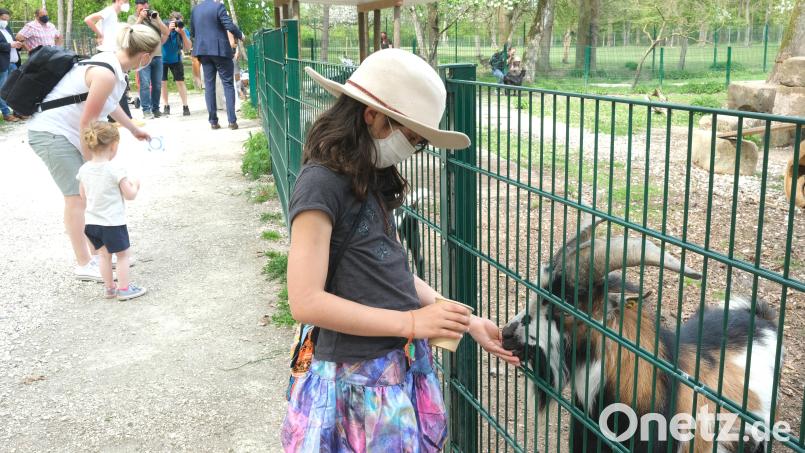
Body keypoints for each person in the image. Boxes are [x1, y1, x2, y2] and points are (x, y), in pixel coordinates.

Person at [280, 48, 519, 451]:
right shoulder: (320, 185)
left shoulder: (366, 177)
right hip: (352, 378)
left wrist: (466, 321)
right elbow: (305, 301)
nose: (413, 149)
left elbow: (387, 270)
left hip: (392, 366)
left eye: (420, 143)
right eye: (411, 137)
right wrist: (410, 324)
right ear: (371, 115)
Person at [27, 24, 159, 282]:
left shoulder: (112, 65)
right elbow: (86, 123)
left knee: (82, 197)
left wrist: (133, 129)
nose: (151, 61)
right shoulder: (106, 73)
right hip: (52, 133)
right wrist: (96, 165)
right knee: (76, 198)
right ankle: (84, 263)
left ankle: (96, 255)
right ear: (144, 56)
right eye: (152, 57)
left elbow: (109, 105)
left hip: (63, 133)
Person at [77, 121, 146, 301]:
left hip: (92, 223)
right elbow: (130, 195)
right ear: (113, 146)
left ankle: (109, 289)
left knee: (103, 256)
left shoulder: (84, 170)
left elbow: (82, 196)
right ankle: (124, 289)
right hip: (112, 223)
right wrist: (136, 185)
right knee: (122, 256)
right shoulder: (115, 169)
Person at [190, 0, 242, 130]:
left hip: (203, 51)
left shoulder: (195, 10)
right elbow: (229, 25)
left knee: (209, 86)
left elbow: (193, 32)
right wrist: (240, 35)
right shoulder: (218, 6)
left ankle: (213, 121)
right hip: (220, 51)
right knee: (228, 84)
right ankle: (232, 121)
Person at [84, 0, 135, 120]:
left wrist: (100, 34)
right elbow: (88, 19)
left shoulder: (113, 15)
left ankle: (118, 117)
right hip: (107, 52)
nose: (126, 3)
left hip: (112, 51)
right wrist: (100, 35)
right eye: (125, 1)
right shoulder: (109, 11)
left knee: (117, 84)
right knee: (117, 82)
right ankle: (123, 117)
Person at [128, 0, 168, 119]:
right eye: (141, 9)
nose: (145, 10)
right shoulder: (132, 17)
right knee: (145, 84)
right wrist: (140, 18)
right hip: (142, 57)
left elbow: (166, 32)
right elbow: (130, 32)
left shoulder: (154, 18)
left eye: (146, 7)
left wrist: (158, 19)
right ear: (137, 8)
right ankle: (146, 110)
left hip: (157, 56)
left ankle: (156, 109)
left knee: (157, 85)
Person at [160, 11, 192, 116]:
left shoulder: (183, 30)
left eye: (179, 21)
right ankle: (166, 106)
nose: (177, 23)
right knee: (163, 83)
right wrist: (168, 30)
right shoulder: (165, 28)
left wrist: (182, 33)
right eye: (175, 21)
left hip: (176, 59)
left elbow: (188, 47)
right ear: (170, 21)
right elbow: (161, 42)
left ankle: (185, 106)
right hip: (162, 59)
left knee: (180, 82)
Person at [0, 8, 23, 123]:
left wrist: (18, 44)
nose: (5, 21)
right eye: (3, 19)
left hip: (13, 62)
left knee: (15, 88)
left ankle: (17, 111)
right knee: (2, 89)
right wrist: (10, 45)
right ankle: (6, 113)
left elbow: (12, 42)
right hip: (2, 64)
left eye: (7, 19)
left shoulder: (7, 28)